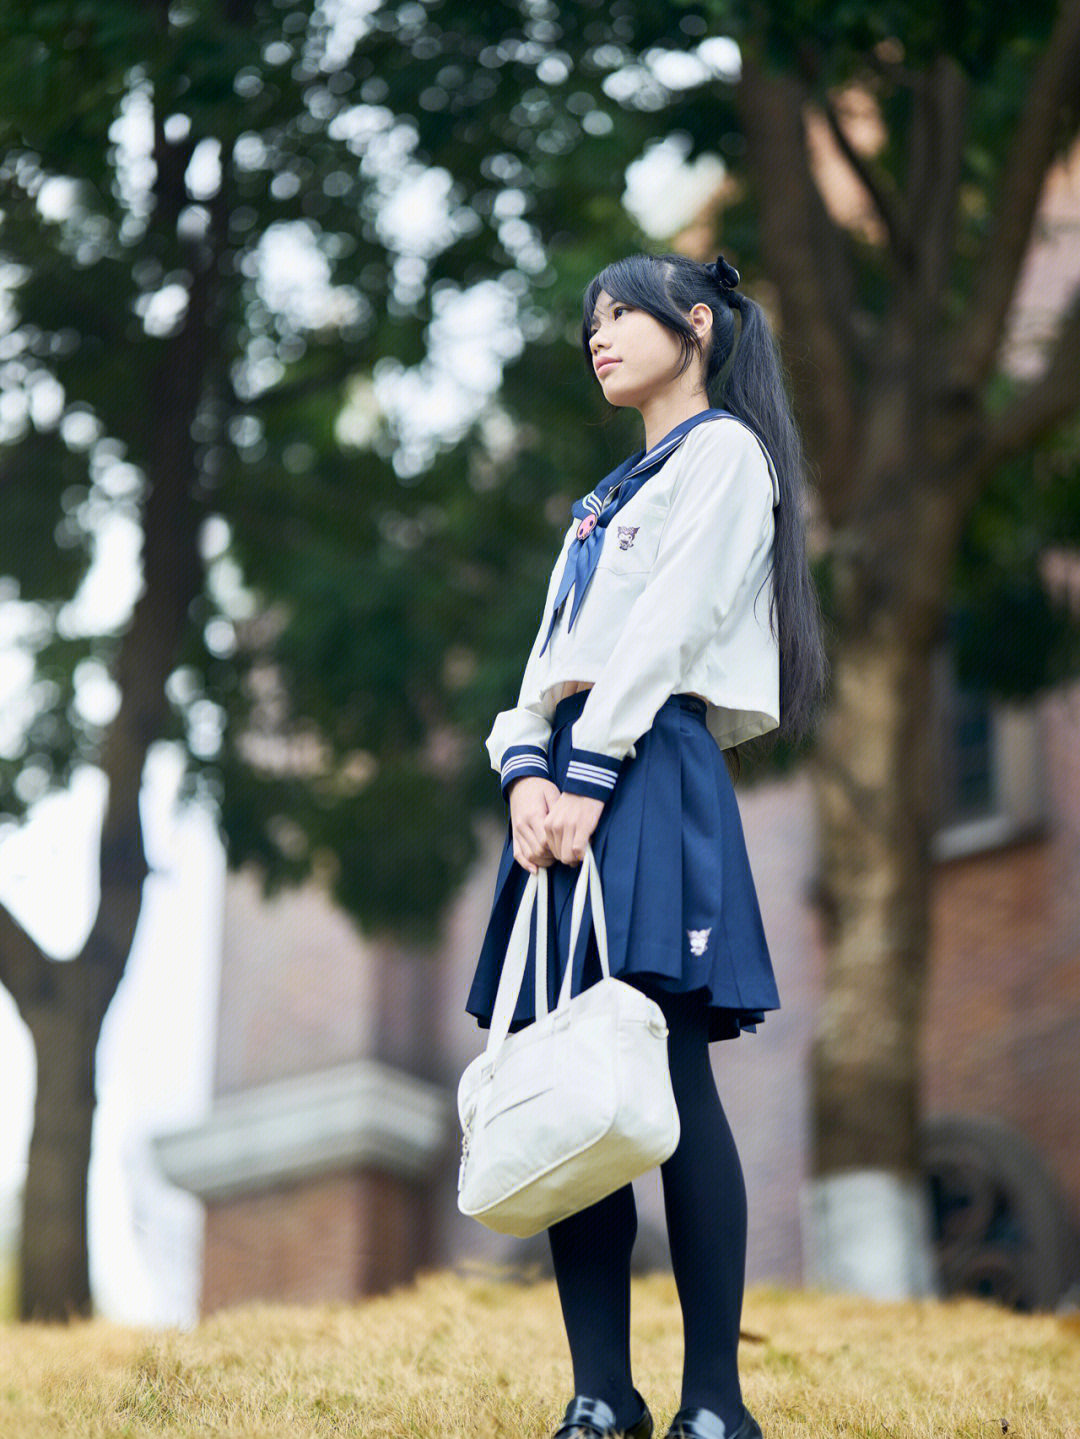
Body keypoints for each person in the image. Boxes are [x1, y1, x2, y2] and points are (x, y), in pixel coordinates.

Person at [464, 251, 828, 1439]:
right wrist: (524, 766)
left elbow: (667, 634)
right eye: (591, 323)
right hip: (571, 776)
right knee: (579, 1072)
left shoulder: (725, 454)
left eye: (623, 314)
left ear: (700, 326)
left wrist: (584, 768)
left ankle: (714, 1402)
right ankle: (599, 1393)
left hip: (644, 767)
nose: (600, 336)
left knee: (666, 1066)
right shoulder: (610, 492)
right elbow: (544, 661)